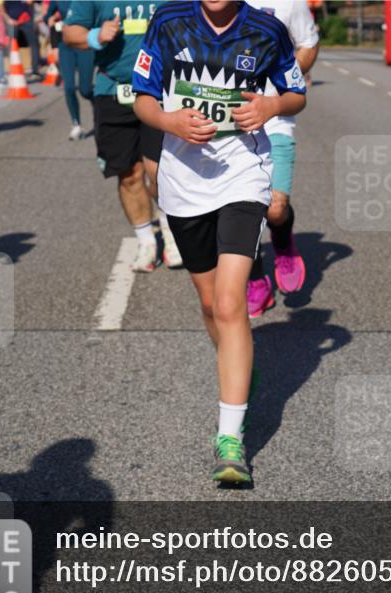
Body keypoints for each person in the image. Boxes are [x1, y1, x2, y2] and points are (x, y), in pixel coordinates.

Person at [132, 0, 306, 483]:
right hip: (184, 183)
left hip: (242, 176)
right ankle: (240, 368)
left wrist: (271, 105)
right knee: (210, 306)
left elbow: (296, 92)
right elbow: (143, 96)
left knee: (231, 305)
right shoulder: (169, 22)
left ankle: (230, 441)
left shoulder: (265, 29)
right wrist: (170, 122)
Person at [63, 1, 183, 273]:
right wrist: (95, 36)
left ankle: (172, 231)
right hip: (113, 89)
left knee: (161, 170)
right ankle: (146, 243)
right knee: (128, 174)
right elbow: (70, 33)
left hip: (162, 91)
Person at [244, 0, 319, 318]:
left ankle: (284, 244)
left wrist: (283, 79)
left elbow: (308, 45)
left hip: (275, 119)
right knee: (242, 208)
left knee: (275, 208)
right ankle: (255, 277)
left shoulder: (289, 2)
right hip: (229, 122)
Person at [45, 0, 94, 140]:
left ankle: (98, 105)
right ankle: (76, 125)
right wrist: (50, 19)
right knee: (69, 87)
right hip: (65, 45)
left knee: (86, 90)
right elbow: (48, 16)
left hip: (85, 44)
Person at [2, 0, 41, 78]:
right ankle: (12, 70)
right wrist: (7, 18)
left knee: (34, 44)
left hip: (26, 18)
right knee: (11, 46)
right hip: (11, 20)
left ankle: (35, 71)